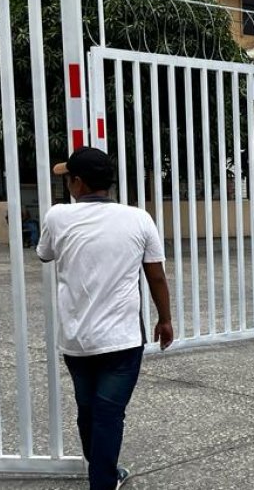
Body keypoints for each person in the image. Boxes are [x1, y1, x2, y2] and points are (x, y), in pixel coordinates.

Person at [37, 146, 173, 489]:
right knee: (108, 414)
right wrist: (165, 319)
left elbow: (44, 254)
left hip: (77, 340)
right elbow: (156, 276)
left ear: (78, 183)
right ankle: (103, 479)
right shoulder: (139, 218)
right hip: (122, 339)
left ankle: (102, 475)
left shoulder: (57, 216)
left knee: (88, 410)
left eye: (68, 178)